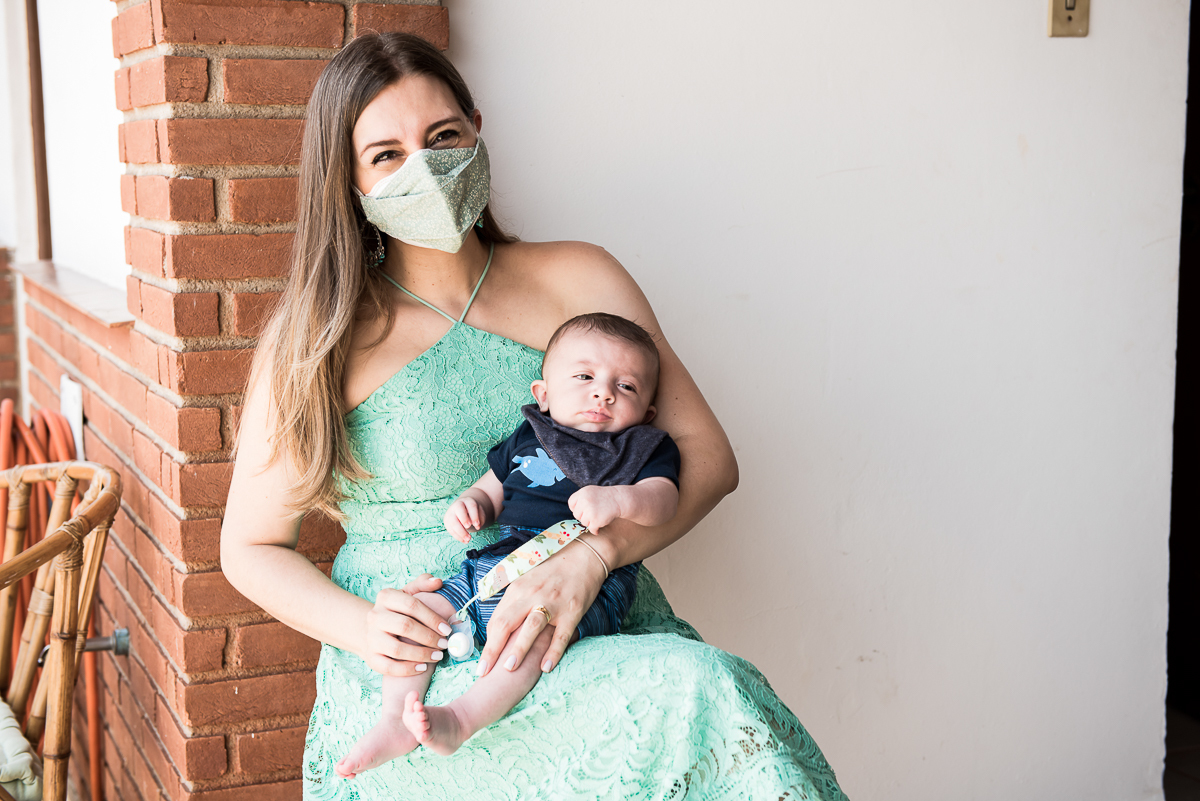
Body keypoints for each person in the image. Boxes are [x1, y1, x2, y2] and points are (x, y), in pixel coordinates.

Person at [221, 31, 848, 800]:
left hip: (587, 620)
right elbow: (249, 545)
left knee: (705, 689)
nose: (424, 167)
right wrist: (367, 632)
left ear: (477, 130)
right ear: (347, 180)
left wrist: (590, 559)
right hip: (421, 664)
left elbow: (707, 458)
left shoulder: (578, 276)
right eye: (386, 154)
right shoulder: (317, 335)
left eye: (442, 137)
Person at [337, 312, 682, 774]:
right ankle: (395, 719)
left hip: (587, 584)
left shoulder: (641, 447)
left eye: (627, 387)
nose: (603, 392)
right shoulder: (530, 434)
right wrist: (472, 504)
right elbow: (492, 487)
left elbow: (665, 501)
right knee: (421, 616)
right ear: (543, 395)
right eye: (585, 377)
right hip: (498, 563)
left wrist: (623, 499)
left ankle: (461, 718)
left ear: (647, 413)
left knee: (535, 645)